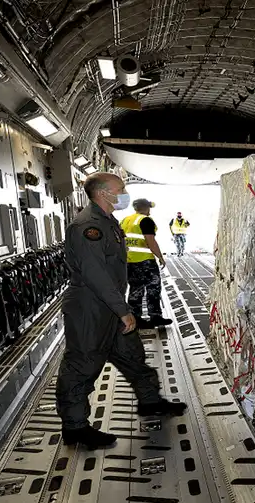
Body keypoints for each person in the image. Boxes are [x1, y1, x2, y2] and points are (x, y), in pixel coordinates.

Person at [55, 172, 186, 449]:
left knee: (132, 355)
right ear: (103, 194)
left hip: (111, 304)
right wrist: (122, 310)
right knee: (82, 365)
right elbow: (95, 274)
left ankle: (150, 401)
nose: (124, 192)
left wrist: (120, 308)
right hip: (91, 307)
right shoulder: (88, 226)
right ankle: (75, 427)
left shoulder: (108, 222)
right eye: (120, 188)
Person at [121, 199, 173, 328]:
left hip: (129, 261)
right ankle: (155, 317)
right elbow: (150, 240)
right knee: (153, 288)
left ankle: (136, 318)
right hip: (145, 261)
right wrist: (160, 256)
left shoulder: (125, 220)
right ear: (146, 208)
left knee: (135, 289)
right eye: (149, 208)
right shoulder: (145, 220)